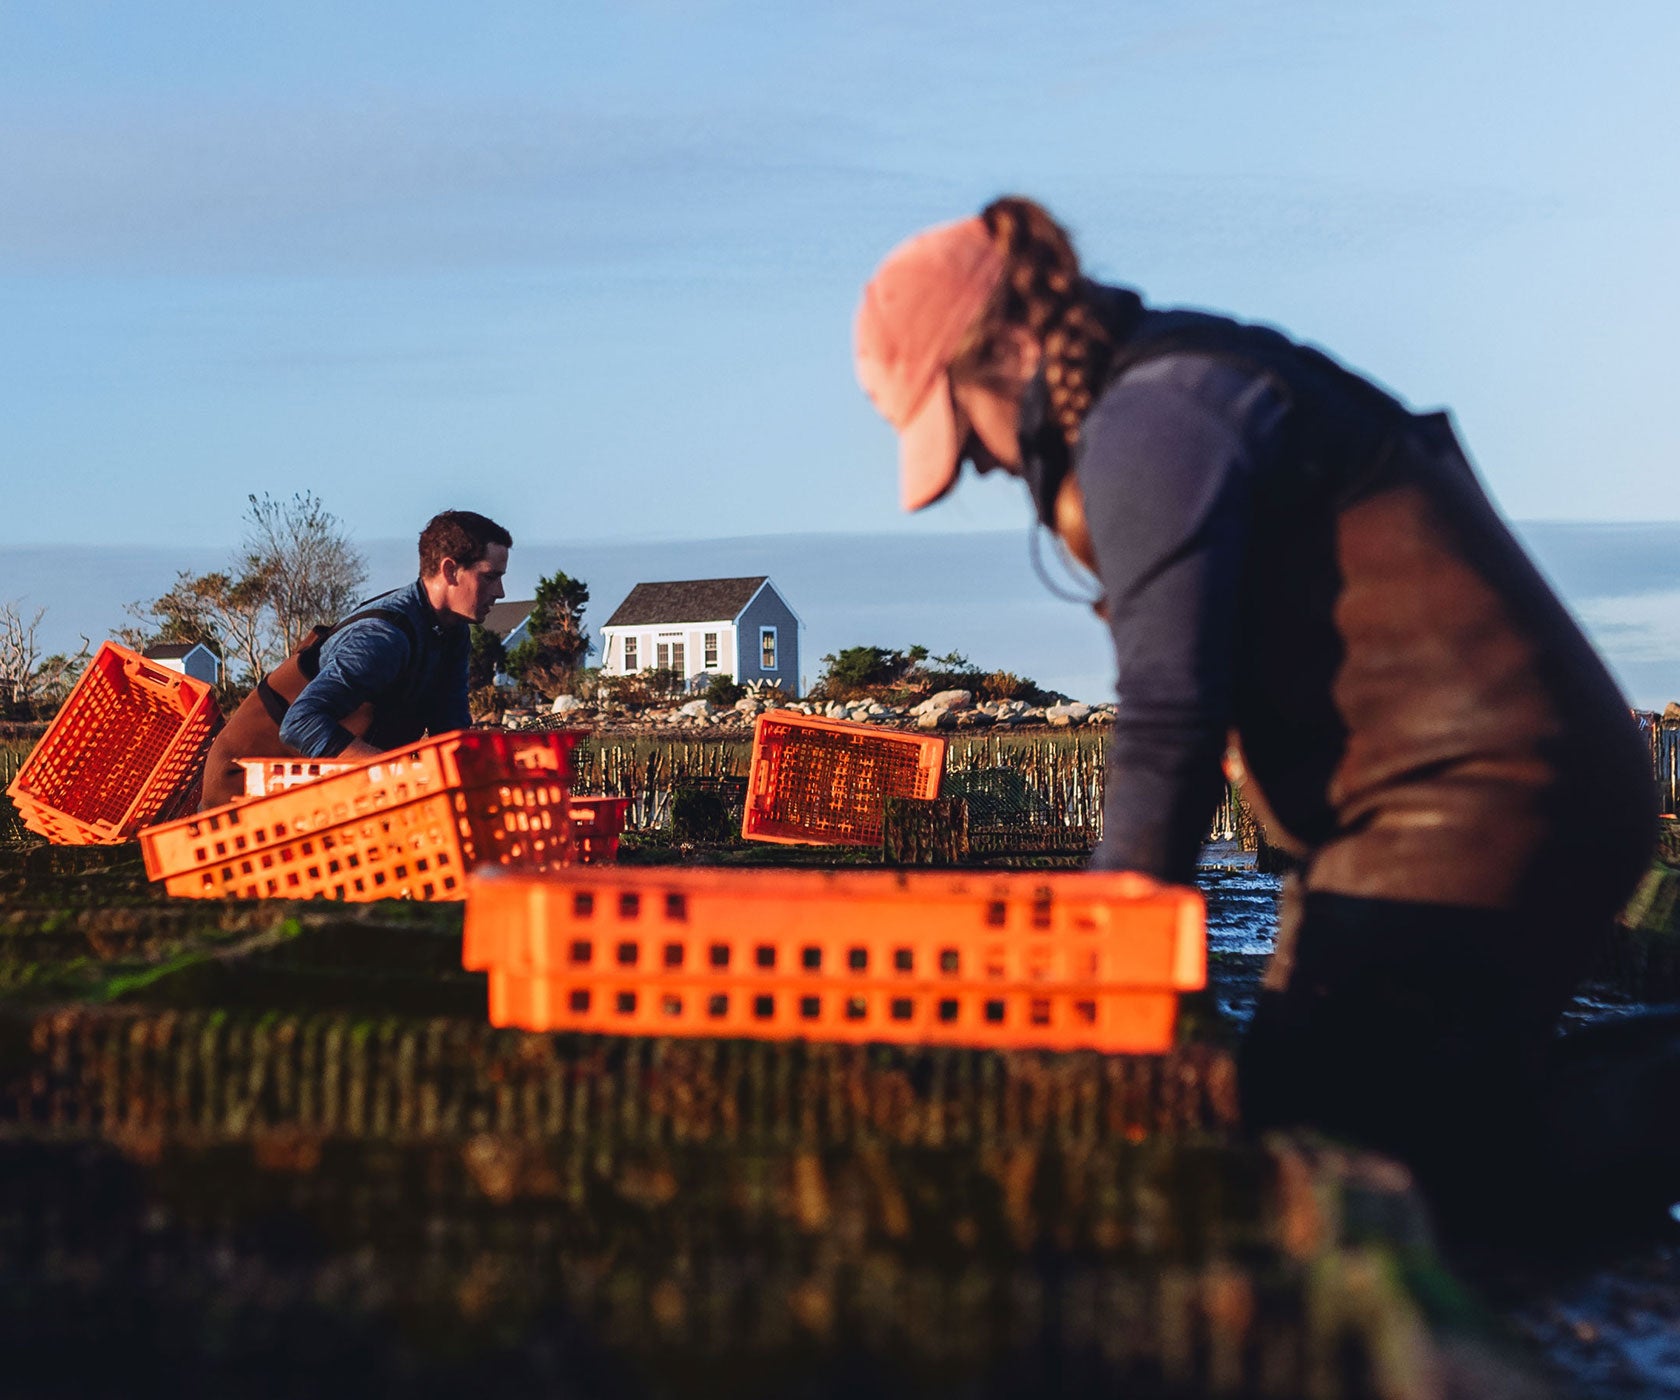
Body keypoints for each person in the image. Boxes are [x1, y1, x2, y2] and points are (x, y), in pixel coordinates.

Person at [854, 197, 1658, 1219]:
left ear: (1006, 344)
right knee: (1422, 1138)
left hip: (1477, 804)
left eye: (959, 427)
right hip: (1480, 801)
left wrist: (1101, 964)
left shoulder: (1152, 420)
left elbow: (1167, 723)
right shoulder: (1175, 390)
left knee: (1321, 1148)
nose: (975, 462)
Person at [199, 509, 511, 808]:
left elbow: (450, 731)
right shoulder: (382, 638)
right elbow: (300, 723)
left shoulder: (452, 633)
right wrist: (396, 775)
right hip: (243, 788)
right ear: (449, 570)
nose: (501, 591)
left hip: (317, 790)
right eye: (489, 577)